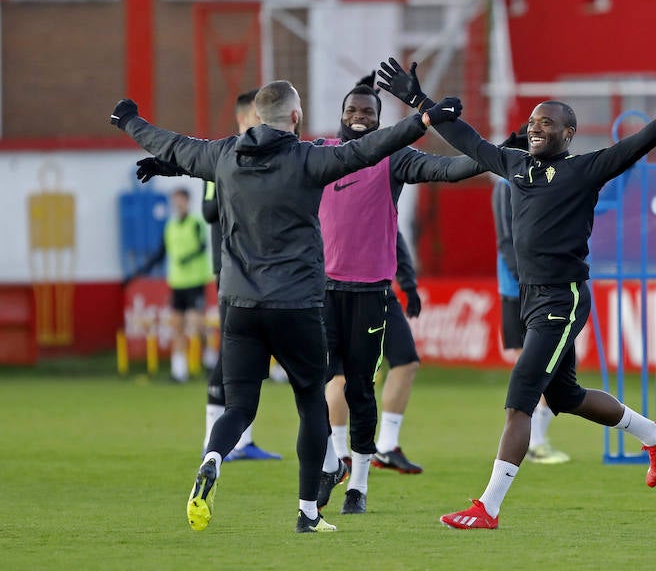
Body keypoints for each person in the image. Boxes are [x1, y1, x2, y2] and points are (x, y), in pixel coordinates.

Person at [377, 59, 656, 529]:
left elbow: (637, 144)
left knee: (520, 398)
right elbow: (469, 141)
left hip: (561, 302)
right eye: (533, 121)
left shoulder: (585, 170)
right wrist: (419, 102)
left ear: (569, 133)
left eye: (548, 122)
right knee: (564, 396)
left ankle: (488, 507)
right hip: (531, 298)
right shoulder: (515, 166)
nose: (536, 127)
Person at [110, 79, 462, 533]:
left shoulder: (223, 155)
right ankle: (308, 513)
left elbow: (176, 145)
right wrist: (423, 119)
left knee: (239, 407)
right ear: (295, 117)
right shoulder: (310, 159)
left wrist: (129, 121)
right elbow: (367, 150)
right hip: (296, 304)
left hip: (239, 305)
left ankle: (213, 456)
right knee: (312, 403)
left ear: (256, 116)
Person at [314, 77, 482, 515]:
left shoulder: (393, 157)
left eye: (368, 112)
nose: (359, 116)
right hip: (321, 291)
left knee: (362, 390)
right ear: (341, 112)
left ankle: (360, 486)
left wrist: (494, 156)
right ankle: (334, 463)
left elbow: (446, 170)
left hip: (371, 292)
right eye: (353, 109)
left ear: (379, 120)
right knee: (322, 383)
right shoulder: (318, 152)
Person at [201, 88, 281, 462]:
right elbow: (206, 210)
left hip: (258, 270)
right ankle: (212, 440)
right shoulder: (225, 153)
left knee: (253, 353)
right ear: (243, 117)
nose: (262, 119)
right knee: (230, 352)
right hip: (230, 268)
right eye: (256, 113)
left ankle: (243, 441)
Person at [492, 147, 570, 465]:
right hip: (519, 289)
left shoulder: (556, 179)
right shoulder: (506, 183)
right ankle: (535, 440)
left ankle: (536, 438)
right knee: (532, 367)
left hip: (548, 287)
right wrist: (525, 278)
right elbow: (505, 238)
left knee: (550, 368)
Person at [326, 231, 424, 477]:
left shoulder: (379, 194)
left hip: (377, 287)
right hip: (335, 286)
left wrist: (408, 283)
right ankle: (340, 454)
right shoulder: (325, 191)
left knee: (406, 360)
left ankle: (387, 446)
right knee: (341, 373)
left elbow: (392, 233)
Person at [130, 187, 212, 383]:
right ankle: (179, 371)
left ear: (187, 201)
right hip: (177, 282)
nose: (177, 204)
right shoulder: (170, 226)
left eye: (180, 200)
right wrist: (142, 270)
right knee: (178, 327)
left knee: (196, 323)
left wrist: (187, 258)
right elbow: (161, 252)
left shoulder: (196, 223)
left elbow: (202, 246)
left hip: (195, 280)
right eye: (175, 200)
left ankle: (210, 359)